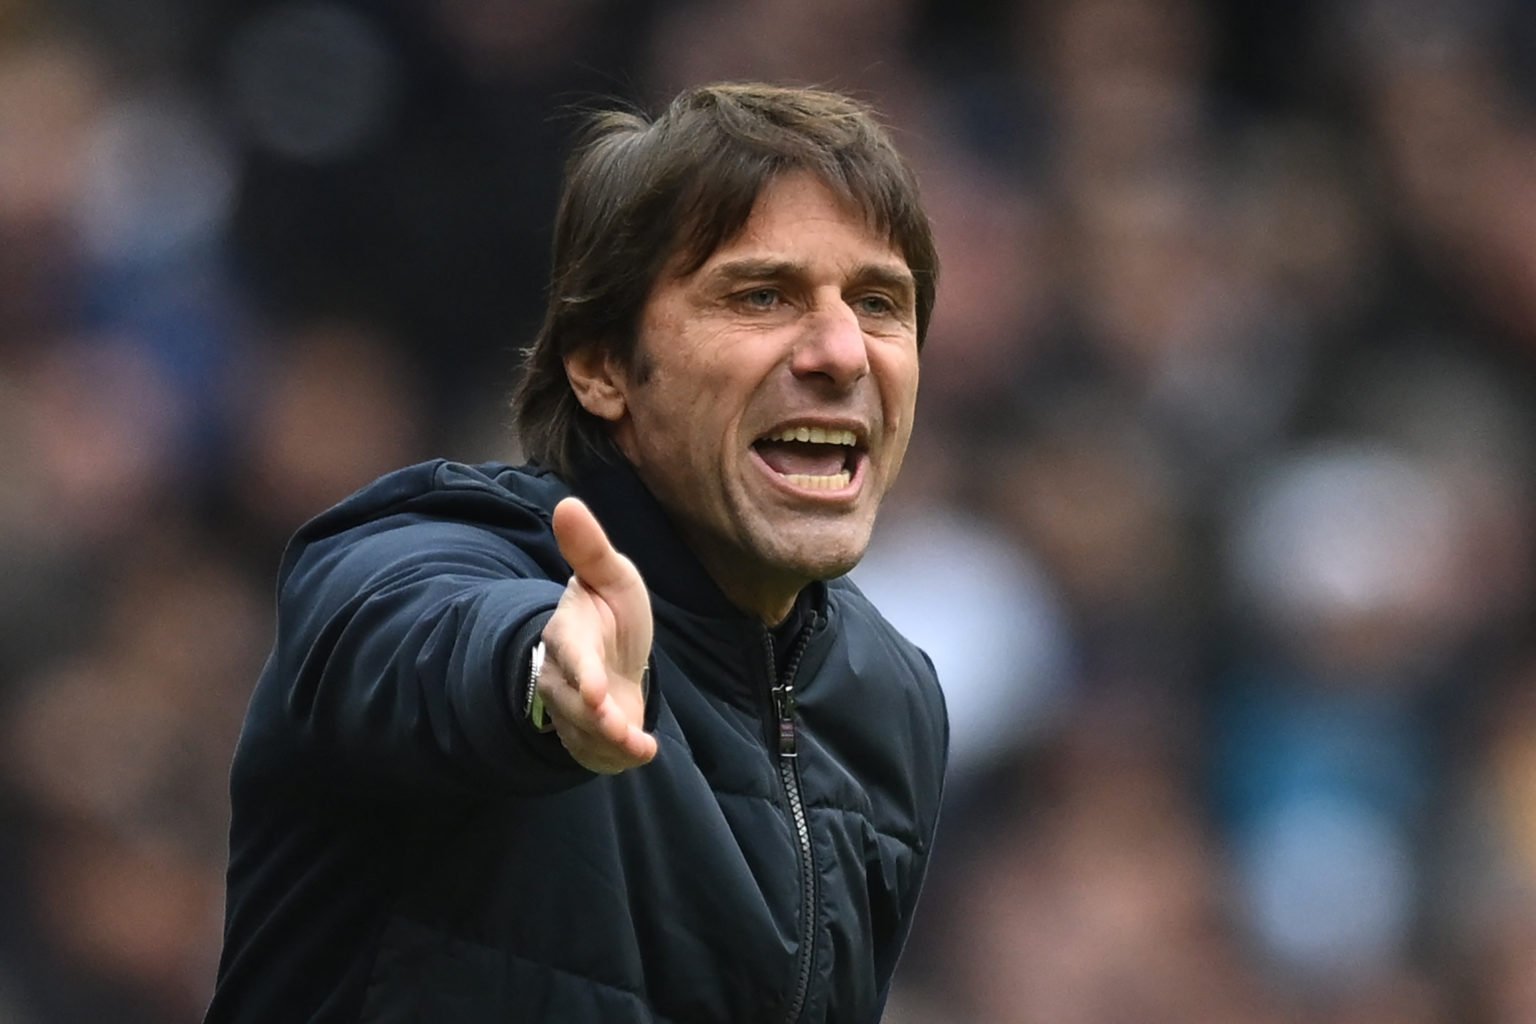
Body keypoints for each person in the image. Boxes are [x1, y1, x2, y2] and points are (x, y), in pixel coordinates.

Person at [204, 82, 949, 1024]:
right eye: (763, 295)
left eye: (881, 302)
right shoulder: (437, 549)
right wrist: (543, 679)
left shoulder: (893, 701)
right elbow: (409, 634)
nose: (843, 353)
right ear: (600, 365)